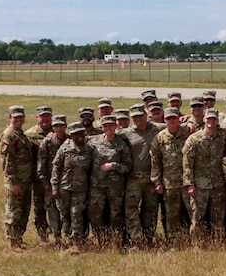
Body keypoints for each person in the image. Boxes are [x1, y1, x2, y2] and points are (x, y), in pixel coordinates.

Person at [119, 104, 162, 247]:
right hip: (133, 178)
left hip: (152, 177)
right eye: (134, 117)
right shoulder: (126, 133)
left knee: (150, 209)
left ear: (146, 115)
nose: (138, 119)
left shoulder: (157, 128)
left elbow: (177, 125)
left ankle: (148, 239)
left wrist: (190, 124)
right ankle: (137, 239)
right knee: (130, 208)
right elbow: (106, 135)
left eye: (140, 116)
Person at [182, 108, 226, 243]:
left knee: (218, 217)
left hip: (217, 184)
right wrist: (189, 184)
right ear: (204, 120)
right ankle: (197, 244)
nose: (211, 121)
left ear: (217, 121)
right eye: (209, 119)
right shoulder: (194, 139)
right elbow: (187, 163)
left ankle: (218, 242)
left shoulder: (223, 136)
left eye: (214, 119)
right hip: (199, 185)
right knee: (197, 217)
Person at [88, 115, 132, 248]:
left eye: (111, 125)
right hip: (97, 185)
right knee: (95, 213)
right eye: (105, 126)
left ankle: (116, 241)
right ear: (101, 127)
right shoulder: (93, 141)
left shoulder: (122, 145)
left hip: (115, 187)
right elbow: (77, 143)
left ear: (116, 126)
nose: (108, 128)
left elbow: (127, 166)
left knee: (116, 214)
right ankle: (101, 241)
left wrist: (114, 166)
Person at [151, 107, 191, 244]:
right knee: (172, 215)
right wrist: (156, 181)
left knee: (192, 213)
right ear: (165, 120)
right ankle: (174, 241)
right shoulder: (160, 137)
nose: (171, 121)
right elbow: (155, 161)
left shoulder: (188, 132)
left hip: (187, 182)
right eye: (168, 118)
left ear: (178, 119)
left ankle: (195, 240)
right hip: (169, 183)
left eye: (174, 118)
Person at [51, 122, 94, 252]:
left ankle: (76, 243)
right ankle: (65, 240)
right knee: (64, 216)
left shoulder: (90, 150)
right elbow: (56, 168)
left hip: (80, 189)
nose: (79, 136)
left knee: (77, 215)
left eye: (81, 133)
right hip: (64, 188)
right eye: (76, 134)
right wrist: (54, 187)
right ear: (72, 136)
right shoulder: (64, 149)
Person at [0, 105, 34, 251]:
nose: (19, 119)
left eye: (21, 117)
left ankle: (19, 239)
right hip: (16, 182)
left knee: (24, 211)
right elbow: (7, 162)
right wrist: (13, 182)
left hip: (25, 180)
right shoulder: (9, 135)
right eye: (16, 117)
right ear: (10, 118)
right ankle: (12, 242)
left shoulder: (20, 134)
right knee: (13, 212)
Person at [24, 105, 53, 244]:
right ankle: (43, 237)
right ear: (37, 118)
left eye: (48, 116)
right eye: (42, 116)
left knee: (56, 208)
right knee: (39, 209)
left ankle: (58, 235)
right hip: (37, 180)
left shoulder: (58, 131)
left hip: (55, 179)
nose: (45, 119)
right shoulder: (29, 134)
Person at [37, 115, 67, 246]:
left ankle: (68, 236)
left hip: (67, 184)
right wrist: (45, 184)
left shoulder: (70, 141)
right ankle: (57, 237)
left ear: (66, 126)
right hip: (50, 183)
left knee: (66, 211)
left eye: (61, 126)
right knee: (52, 210)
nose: (59, 129)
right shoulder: (47, 142)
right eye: (56, 126)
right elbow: (41, 166)